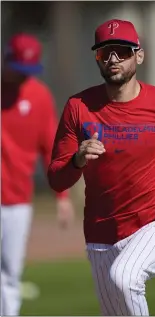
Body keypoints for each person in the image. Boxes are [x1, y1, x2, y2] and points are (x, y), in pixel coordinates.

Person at [47, 19, 155, 316]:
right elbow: (57, 179)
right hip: (102, 232)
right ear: (97, 57)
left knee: (125, 278)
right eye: (105, 52)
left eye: (122, 51)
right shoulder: (78, 107)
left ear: (139, 55)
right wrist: (77, 160)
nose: (113, 59)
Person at [1, 33, 75, 316]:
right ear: (7, 60)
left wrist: (63, 196)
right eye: (19, 70)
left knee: (10, 272)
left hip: (19, 200)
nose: (23, 78)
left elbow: (50, 148)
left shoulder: (39, 96)